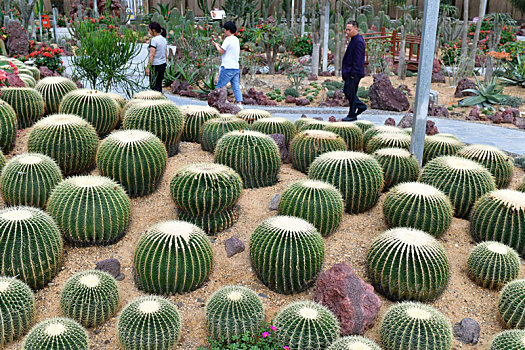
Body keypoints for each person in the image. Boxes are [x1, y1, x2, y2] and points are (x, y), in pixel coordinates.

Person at [211, 21, 243, 107]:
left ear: (228, 30)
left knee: (220, 86)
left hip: (227, 67)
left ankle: (214, 104)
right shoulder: (236, 39)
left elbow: (221, 51)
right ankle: (239, 104)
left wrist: (216, 45)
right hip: (235, 67)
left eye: (225, 29)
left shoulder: (227, 39)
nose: (224, 31)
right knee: (235, 86)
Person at [341, 21, 367, 121]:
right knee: (350, 93)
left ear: (356, 29)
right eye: (346, 29)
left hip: (353, 73)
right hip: (351, 72)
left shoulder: (358, 41)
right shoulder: (354, 39)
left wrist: (353, 74)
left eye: (349, 30)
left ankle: (360, 107)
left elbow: (358, 59)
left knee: (349, 92)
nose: (347, 32)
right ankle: (352, 114)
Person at [146, 22, 167, 92]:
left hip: (155, 65)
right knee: (159, 85)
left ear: (153, 30)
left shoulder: (154, 40)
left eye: (149, 29)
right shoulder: (164, 39)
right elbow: (165, 53)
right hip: (162, 64)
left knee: (154, 86)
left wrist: (148, 67)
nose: (148, 31)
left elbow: (152, 55)